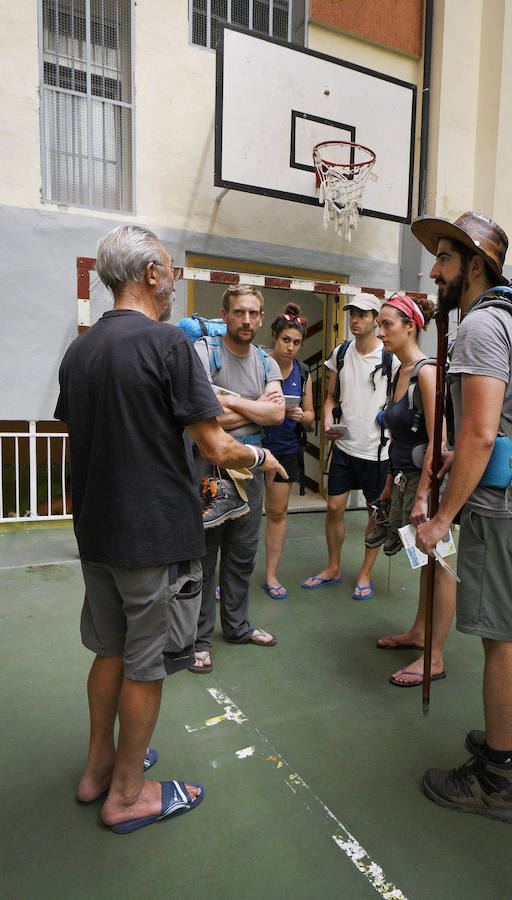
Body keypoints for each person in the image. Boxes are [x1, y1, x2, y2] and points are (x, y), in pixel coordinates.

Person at [55, 225, 285, 833]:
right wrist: (263, 458)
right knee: (145, 663)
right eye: (170, 272)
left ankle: (99, 767)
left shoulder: (79, 351)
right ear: (151, 273)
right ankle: (129, 793)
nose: (174, 283)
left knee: (108, 649)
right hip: (151, 536)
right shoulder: (166, 345)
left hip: (97, 534)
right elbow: (215, 445)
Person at [413, 211, 512, 824]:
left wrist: (442, 517)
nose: (435, 269)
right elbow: (498, 427)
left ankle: (496, 779)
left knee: (503, 638)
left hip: (501, 511)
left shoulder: (479, 327)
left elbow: (477, 435)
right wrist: (465, 452)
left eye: (445, 259)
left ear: (475, 266)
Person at [189, 285, 285, 673]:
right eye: (239, 312)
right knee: (204, 556)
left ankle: (238, 627)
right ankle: (196, 639)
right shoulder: (204, 352)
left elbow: (277, 416)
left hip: (252, 469)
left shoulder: (267, 362)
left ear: (262, 318)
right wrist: (256, 409)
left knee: (243, 554)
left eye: (253, 313)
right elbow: (199, 417)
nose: (246, 320)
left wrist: (227, 402)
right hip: (208, 467)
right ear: (225, 315)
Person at [370, 294, 457, 687]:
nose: (380, 331)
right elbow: (397, 438)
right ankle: (420, 632)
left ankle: (434, 657)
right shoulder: (398, 371)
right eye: (380, 324)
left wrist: (424, 495)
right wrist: (391, 486)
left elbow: (439, 445)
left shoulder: (427, 372)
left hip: (431, 488)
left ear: (411, 326)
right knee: (422, 562)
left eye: (388, 324)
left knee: (443, 567)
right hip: (405, 481)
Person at [302, 293, 398, 600]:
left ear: (375, 319)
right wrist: (329, 416)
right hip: (344, 447)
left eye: (362, 314)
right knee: (333, 507)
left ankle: (366, 573)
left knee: (374, 512)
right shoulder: (340, 353)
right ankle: (333, 567)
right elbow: (331, 397)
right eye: (351, 313)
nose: (355, 319)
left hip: (378, 451)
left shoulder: (390, 358)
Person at [261, 303, 315, 598]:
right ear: (274, 337)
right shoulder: (257, 363)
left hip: (285, 450)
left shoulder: (302, 371)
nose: (291, 347)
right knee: (237, 515)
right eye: (286, 340)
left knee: (277, 512)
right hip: (253, 448)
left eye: (296, 342)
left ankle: (271, 575)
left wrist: (302, 417)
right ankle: (225, 579)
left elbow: (311, 416)